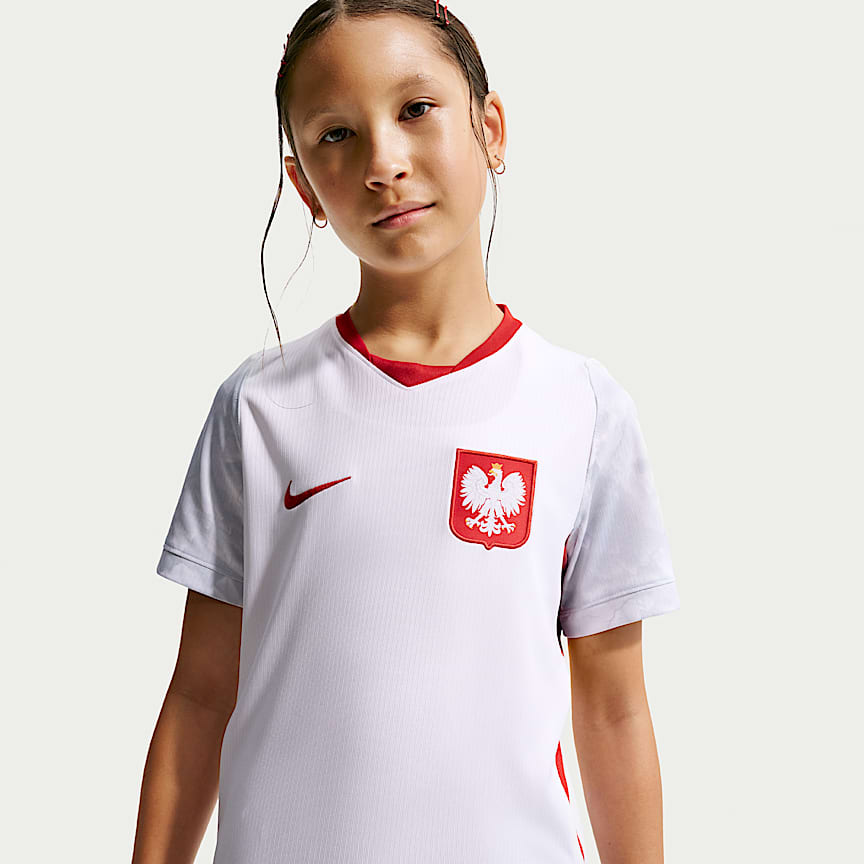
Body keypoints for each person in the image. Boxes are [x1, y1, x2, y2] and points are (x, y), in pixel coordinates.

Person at [132, 2, 681, 863]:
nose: (383, 162)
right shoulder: (260, 406)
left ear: (490, 130)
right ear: (305, 187)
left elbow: (613, 709)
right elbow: (201, 695)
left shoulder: (582, 408)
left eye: (416, 109)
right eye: (337, 135)